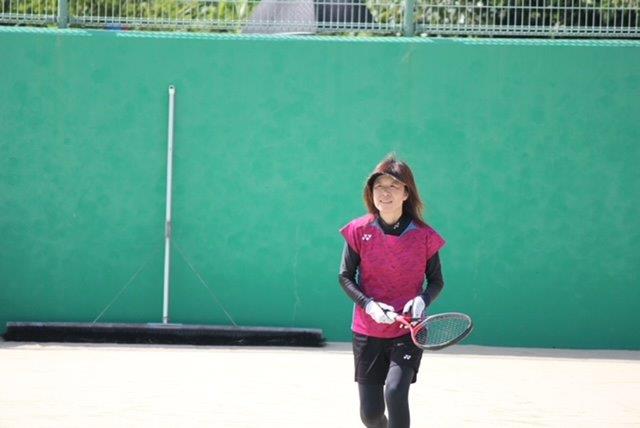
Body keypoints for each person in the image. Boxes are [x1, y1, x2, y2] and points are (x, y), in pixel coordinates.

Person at [338, 154, 445, 428]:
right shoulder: (358, 230)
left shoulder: (424, 236)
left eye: (393, 186)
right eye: (379, 186)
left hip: (409, 330)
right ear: (371, 192)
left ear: (406, 193)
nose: (385, 193)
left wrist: (422, 300)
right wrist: (369, 305)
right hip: (367, 330)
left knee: (395, 392)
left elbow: (436, 281)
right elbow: (345, 276)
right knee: (371, 415)